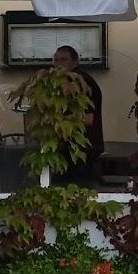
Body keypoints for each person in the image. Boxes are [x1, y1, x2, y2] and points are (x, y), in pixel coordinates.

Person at [53, 45, 104, 181]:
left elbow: (88, 118)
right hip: (73, 149)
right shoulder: (64, 81)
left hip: (82, 150)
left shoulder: (80, 81)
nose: (58, 64)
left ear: (75, 62)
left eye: (63, 60)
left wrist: (57, 121)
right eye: (56, 60)